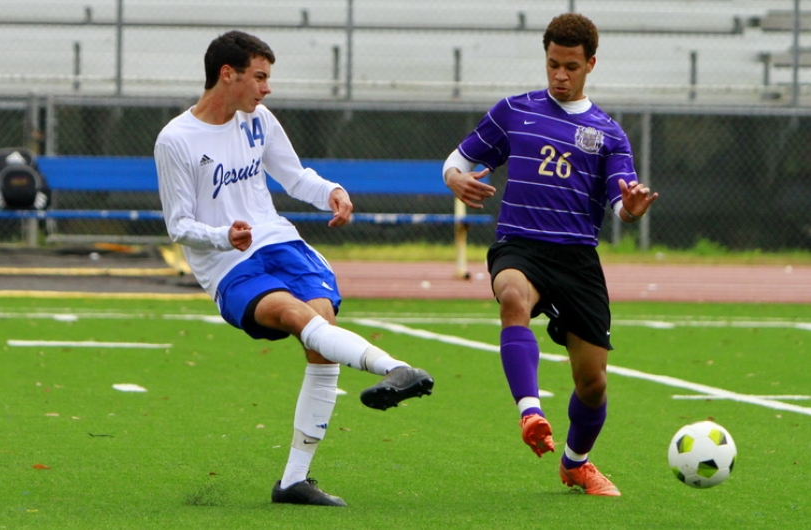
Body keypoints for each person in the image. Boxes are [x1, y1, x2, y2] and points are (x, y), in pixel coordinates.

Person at [153, 30, 433, 507]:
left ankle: (293, 482)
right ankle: (396, 368)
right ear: (228, 74)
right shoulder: (176, 139)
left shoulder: (258, 120)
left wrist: (332, 192)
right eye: (259, 77)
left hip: (281, 242)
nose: (267, 88)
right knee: (292, 315)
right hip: (228, 262)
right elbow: (179, 225)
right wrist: (223, 236)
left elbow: (295, 176)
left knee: (321, 329)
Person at [442, 13, 658, 496]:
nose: (560, 75)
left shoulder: (609, 133)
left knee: (593, 383)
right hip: (520, 245)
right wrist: (454, 177)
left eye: (571, 67)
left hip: (577, 258)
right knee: (512, 297)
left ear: (590, 65)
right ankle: (530, 412)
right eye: (553, 64)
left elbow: (621, 203)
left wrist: (632, 208)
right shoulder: (513, 111)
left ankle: (575, 463)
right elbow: (458, 160)